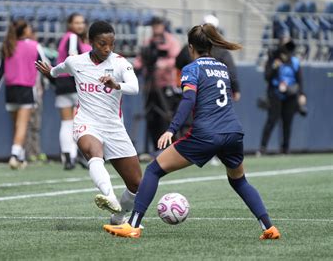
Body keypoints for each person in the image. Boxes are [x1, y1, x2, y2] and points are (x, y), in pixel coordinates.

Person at [103, 24, 280, 240]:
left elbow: (188, 99)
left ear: (190, 47)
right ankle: (269, 227)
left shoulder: (192, 69)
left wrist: (171, 129)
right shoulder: (222, 67)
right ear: (211, 46)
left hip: (206, 134)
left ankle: (133, 225)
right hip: (233, 132)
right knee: (239, 180)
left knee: (153, 170)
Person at [36, 21, 141, 225]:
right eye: (102, 43)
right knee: (94, 152)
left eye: (111, 44)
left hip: (113, 126)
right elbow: (58, 70)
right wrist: (49, 72)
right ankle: (108, 196)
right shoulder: (75, 61)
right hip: (87, 122)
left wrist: (116, 84)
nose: (107, 48)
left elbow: (135, 87)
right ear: (90, 42)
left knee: (137, 184)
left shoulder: (120, 63)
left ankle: (118, 217)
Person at [0, 20, 47, 169]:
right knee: (23, 125)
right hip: (27, 89)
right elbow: (45, 66)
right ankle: (14, 155)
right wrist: (56, 81)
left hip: (10, 90)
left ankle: (20, 157)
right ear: (25, 31)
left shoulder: (8, 46)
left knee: (16, 124)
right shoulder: (35, 46)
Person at [134, 17, 181, 153]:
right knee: (151, 116)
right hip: (151, 85)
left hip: (166, 84)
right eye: (153, 26)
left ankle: (170, 147)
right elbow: (141, 59)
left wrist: (163, 63)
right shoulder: (148, 42)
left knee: (165, 116)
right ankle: (155, 147)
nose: (156, 28)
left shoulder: (171, 41)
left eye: (158, 25)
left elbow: (176, 58)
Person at [55, 13, 92, 170]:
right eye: (76, 22)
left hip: (63, 82)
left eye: (82, 23)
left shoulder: (73, 38)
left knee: (68, 122)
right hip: (73, 82)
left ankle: (69, 156)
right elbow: (72, 57)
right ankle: (74, 155)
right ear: (70, 24)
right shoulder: (72, 38)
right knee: (77, 122)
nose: (79, 25)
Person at [258, 39, 306, 155]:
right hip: (275, 93)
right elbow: (267, 76)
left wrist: (302, 94)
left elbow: (299, 79)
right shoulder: (273, 59)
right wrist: (275, 66)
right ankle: (262, 148)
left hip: (290, 95)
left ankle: (285, 149)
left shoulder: (294, 61)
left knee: (287, 122)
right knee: (271, 120)